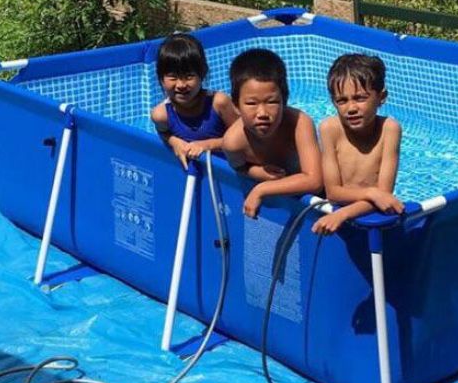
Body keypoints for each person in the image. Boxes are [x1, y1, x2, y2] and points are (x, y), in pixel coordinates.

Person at [222, 48, 323, 218]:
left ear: (284, 101)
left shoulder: (299, 123)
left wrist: (261, 189)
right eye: (251, 103)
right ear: (236, 106)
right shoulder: (233, 142)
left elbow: (315, 181)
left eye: (272, 102)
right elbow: (240, 168)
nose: (262, 113)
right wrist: (257, 172)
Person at [312, 53, 404, 235]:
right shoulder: (329, 129)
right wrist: (372, 193)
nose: (351, 108)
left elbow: (384, 193)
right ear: (333, 102)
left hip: (363, 216)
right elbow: (333, 192)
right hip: (337, 214)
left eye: (360, 98)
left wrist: (343, 214)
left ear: (381, 97)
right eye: (342, 100)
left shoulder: (390, 129)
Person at [150, 33, 238, 169]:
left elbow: (244, 136)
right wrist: (174, 142)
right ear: (161, 79)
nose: (181, 85)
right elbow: (163, 133)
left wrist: (207, 145)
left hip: (226, 172)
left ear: (202, 75)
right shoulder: (161, 115)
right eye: (173, 77)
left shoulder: (219, 103)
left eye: (189, 76)